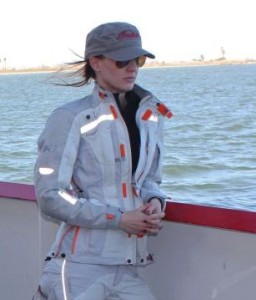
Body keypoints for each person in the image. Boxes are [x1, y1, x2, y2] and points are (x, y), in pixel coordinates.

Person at [33, 21, 172, 300]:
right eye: (122, 61)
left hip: (129, 267)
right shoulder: (70, 117)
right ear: (95, 62)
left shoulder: (150, 117)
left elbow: (148, 179)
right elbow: (50, 197)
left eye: (138, 59)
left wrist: (155, 201)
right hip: (78, 267)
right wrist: (119, 220)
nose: (132, 67)